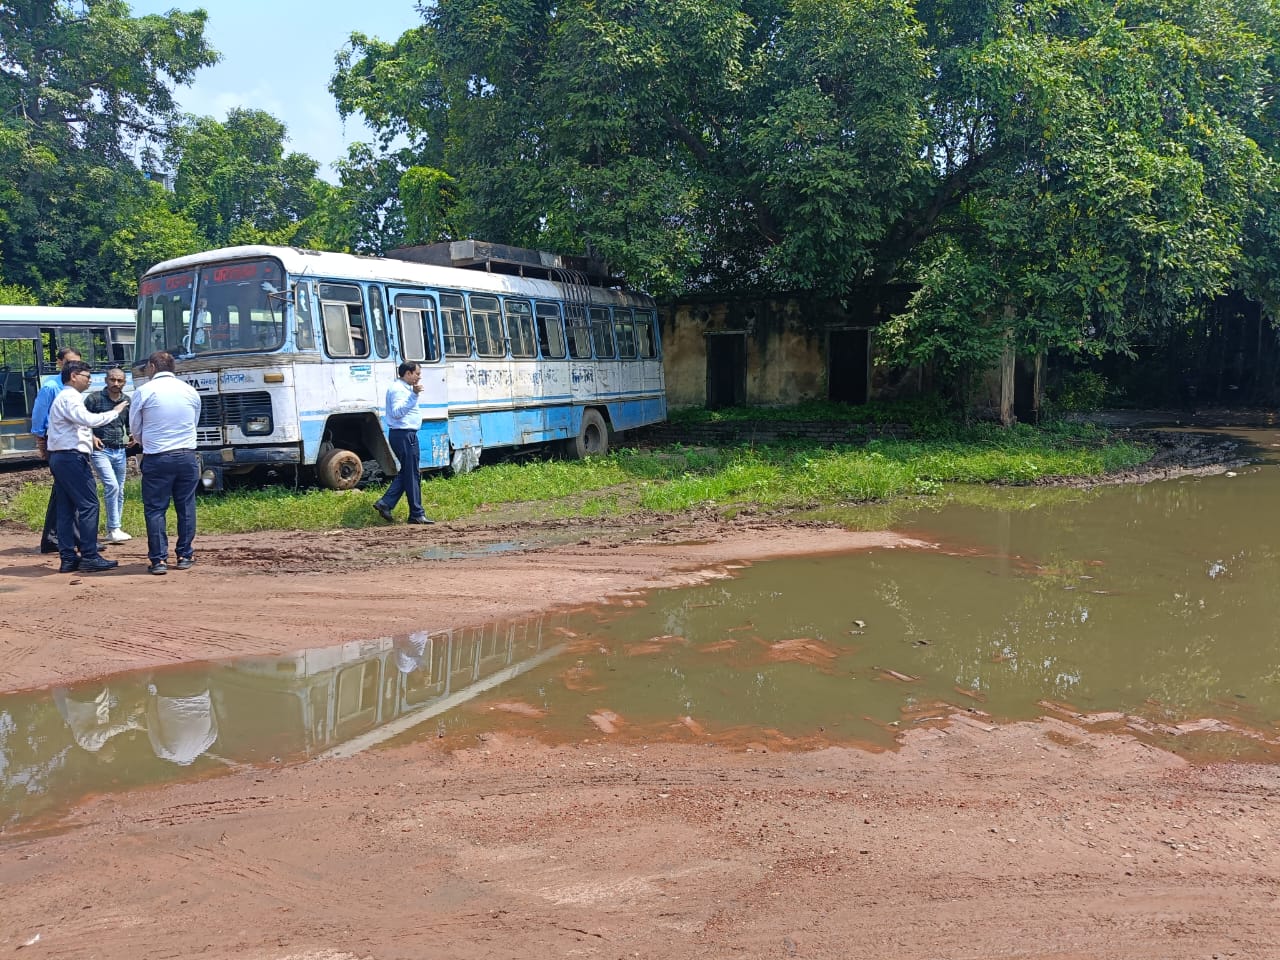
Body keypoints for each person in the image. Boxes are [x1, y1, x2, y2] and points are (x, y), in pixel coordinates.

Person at [45, 359, 129, 573]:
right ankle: (89, 555)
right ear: (74, 376)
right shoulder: (71, 397)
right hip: (71, 457)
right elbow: (88, 419)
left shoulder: (64, 397)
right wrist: (115, 411)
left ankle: (68, 557)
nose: (90, 381)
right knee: (89, 505)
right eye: (87, 377)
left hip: (60, 456)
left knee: (66, 508)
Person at [129, 351, 201, 576]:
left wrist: (147, 441)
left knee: (155, 509)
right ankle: (185, 555)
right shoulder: (190, 391)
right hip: (187, 455)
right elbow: (194, 421)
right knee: (186, 506)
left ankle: (159, 559)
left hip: (158, 457)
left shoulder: (144, 391)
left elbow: (135, 428)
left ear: (152, 366)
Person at [30, 346, 83, 554]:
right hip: (57, 444)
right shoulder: (51, 387)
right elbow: (39, 416)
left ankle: (52, 538)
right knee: (73, 491)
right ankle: (78, 540)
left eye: (77, 363)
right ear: (59, 362)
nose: (73, 367)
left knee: (62, 491)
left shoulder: (75, 387)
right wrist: (41, 443)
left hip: (72, 443)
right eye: (69, 363)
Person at [372, 361, 433, 525]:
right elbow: (397, 413)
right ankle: (416, 514)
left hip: (405, 434)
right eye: (417, 374)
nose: (419, 377)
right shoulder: (398, 389)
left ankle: (386, 503)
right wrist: (414, 395)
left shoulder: (403, 388)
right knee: (411, 473)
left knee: (409, 472)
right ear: (407, 373)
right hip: (403, 434)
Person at [84, 365, 133, 543]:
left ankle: (115, 529)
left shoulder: (127, 400)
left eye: (119, 380)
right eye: (112, 379)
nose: (116, 383)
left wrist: (132, 434)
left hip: (120, 449)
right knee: (112, 486)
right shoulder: (94, 399)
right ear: (106, 380)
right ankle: (114, 527)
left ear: (124, 383)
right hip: (100, 450)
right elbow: (82, 420)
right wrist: (91, 436)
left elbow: (129, 422)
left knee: (119, 489)